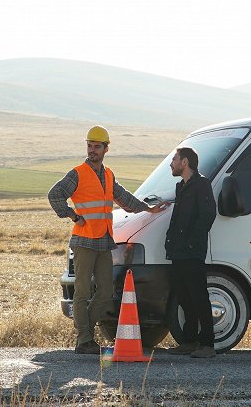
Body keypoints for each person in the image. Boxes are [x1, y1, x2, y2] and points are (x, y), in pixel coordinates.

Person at [48, 125, 168, 355]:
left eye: (97, 147)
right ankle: (84, 339)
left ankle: (86, 333)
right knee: (82, 292)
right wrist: (72, 215)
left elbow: (125, 199)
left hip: (104, 240)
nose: (92, 150)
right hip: (83, 241)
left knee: (105, 293)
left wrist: (149, 210)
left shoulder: (108, 175)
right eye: (89, 146)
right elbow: (54, 194)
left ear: (106, 148)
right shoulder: (77, 173)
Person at [165, 147, 217, 358]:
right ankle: (189, 341)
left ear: (184, 162)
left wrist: (191, 242)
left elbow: (207, 215)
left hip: (192, 251)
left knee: (198, 296)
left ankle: (207, 345)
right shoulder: (181, 186)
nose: (171, 163)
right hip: (178, 251)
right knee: (184, 296)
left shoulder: (202, 185)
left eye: (174, 159)